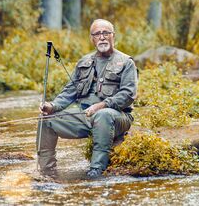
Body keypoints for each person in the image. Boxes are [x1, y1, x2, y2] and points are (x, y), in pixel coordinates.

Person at [37, 19, 138, 178]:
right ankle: (46, 172)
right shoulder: (84, 62)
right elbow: (70, 91)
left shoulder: (126, 62)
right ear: (92, 39)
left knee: (103, 115)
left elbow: (128, 94)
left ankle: (95, 171)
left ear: (113, 36)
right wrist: (52, 105)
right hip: (85, 117)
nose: (102, 37)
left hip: (117, 117)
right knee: (46, 120)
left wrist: (102, 105)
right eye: (97, 34)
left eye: (106, 33)